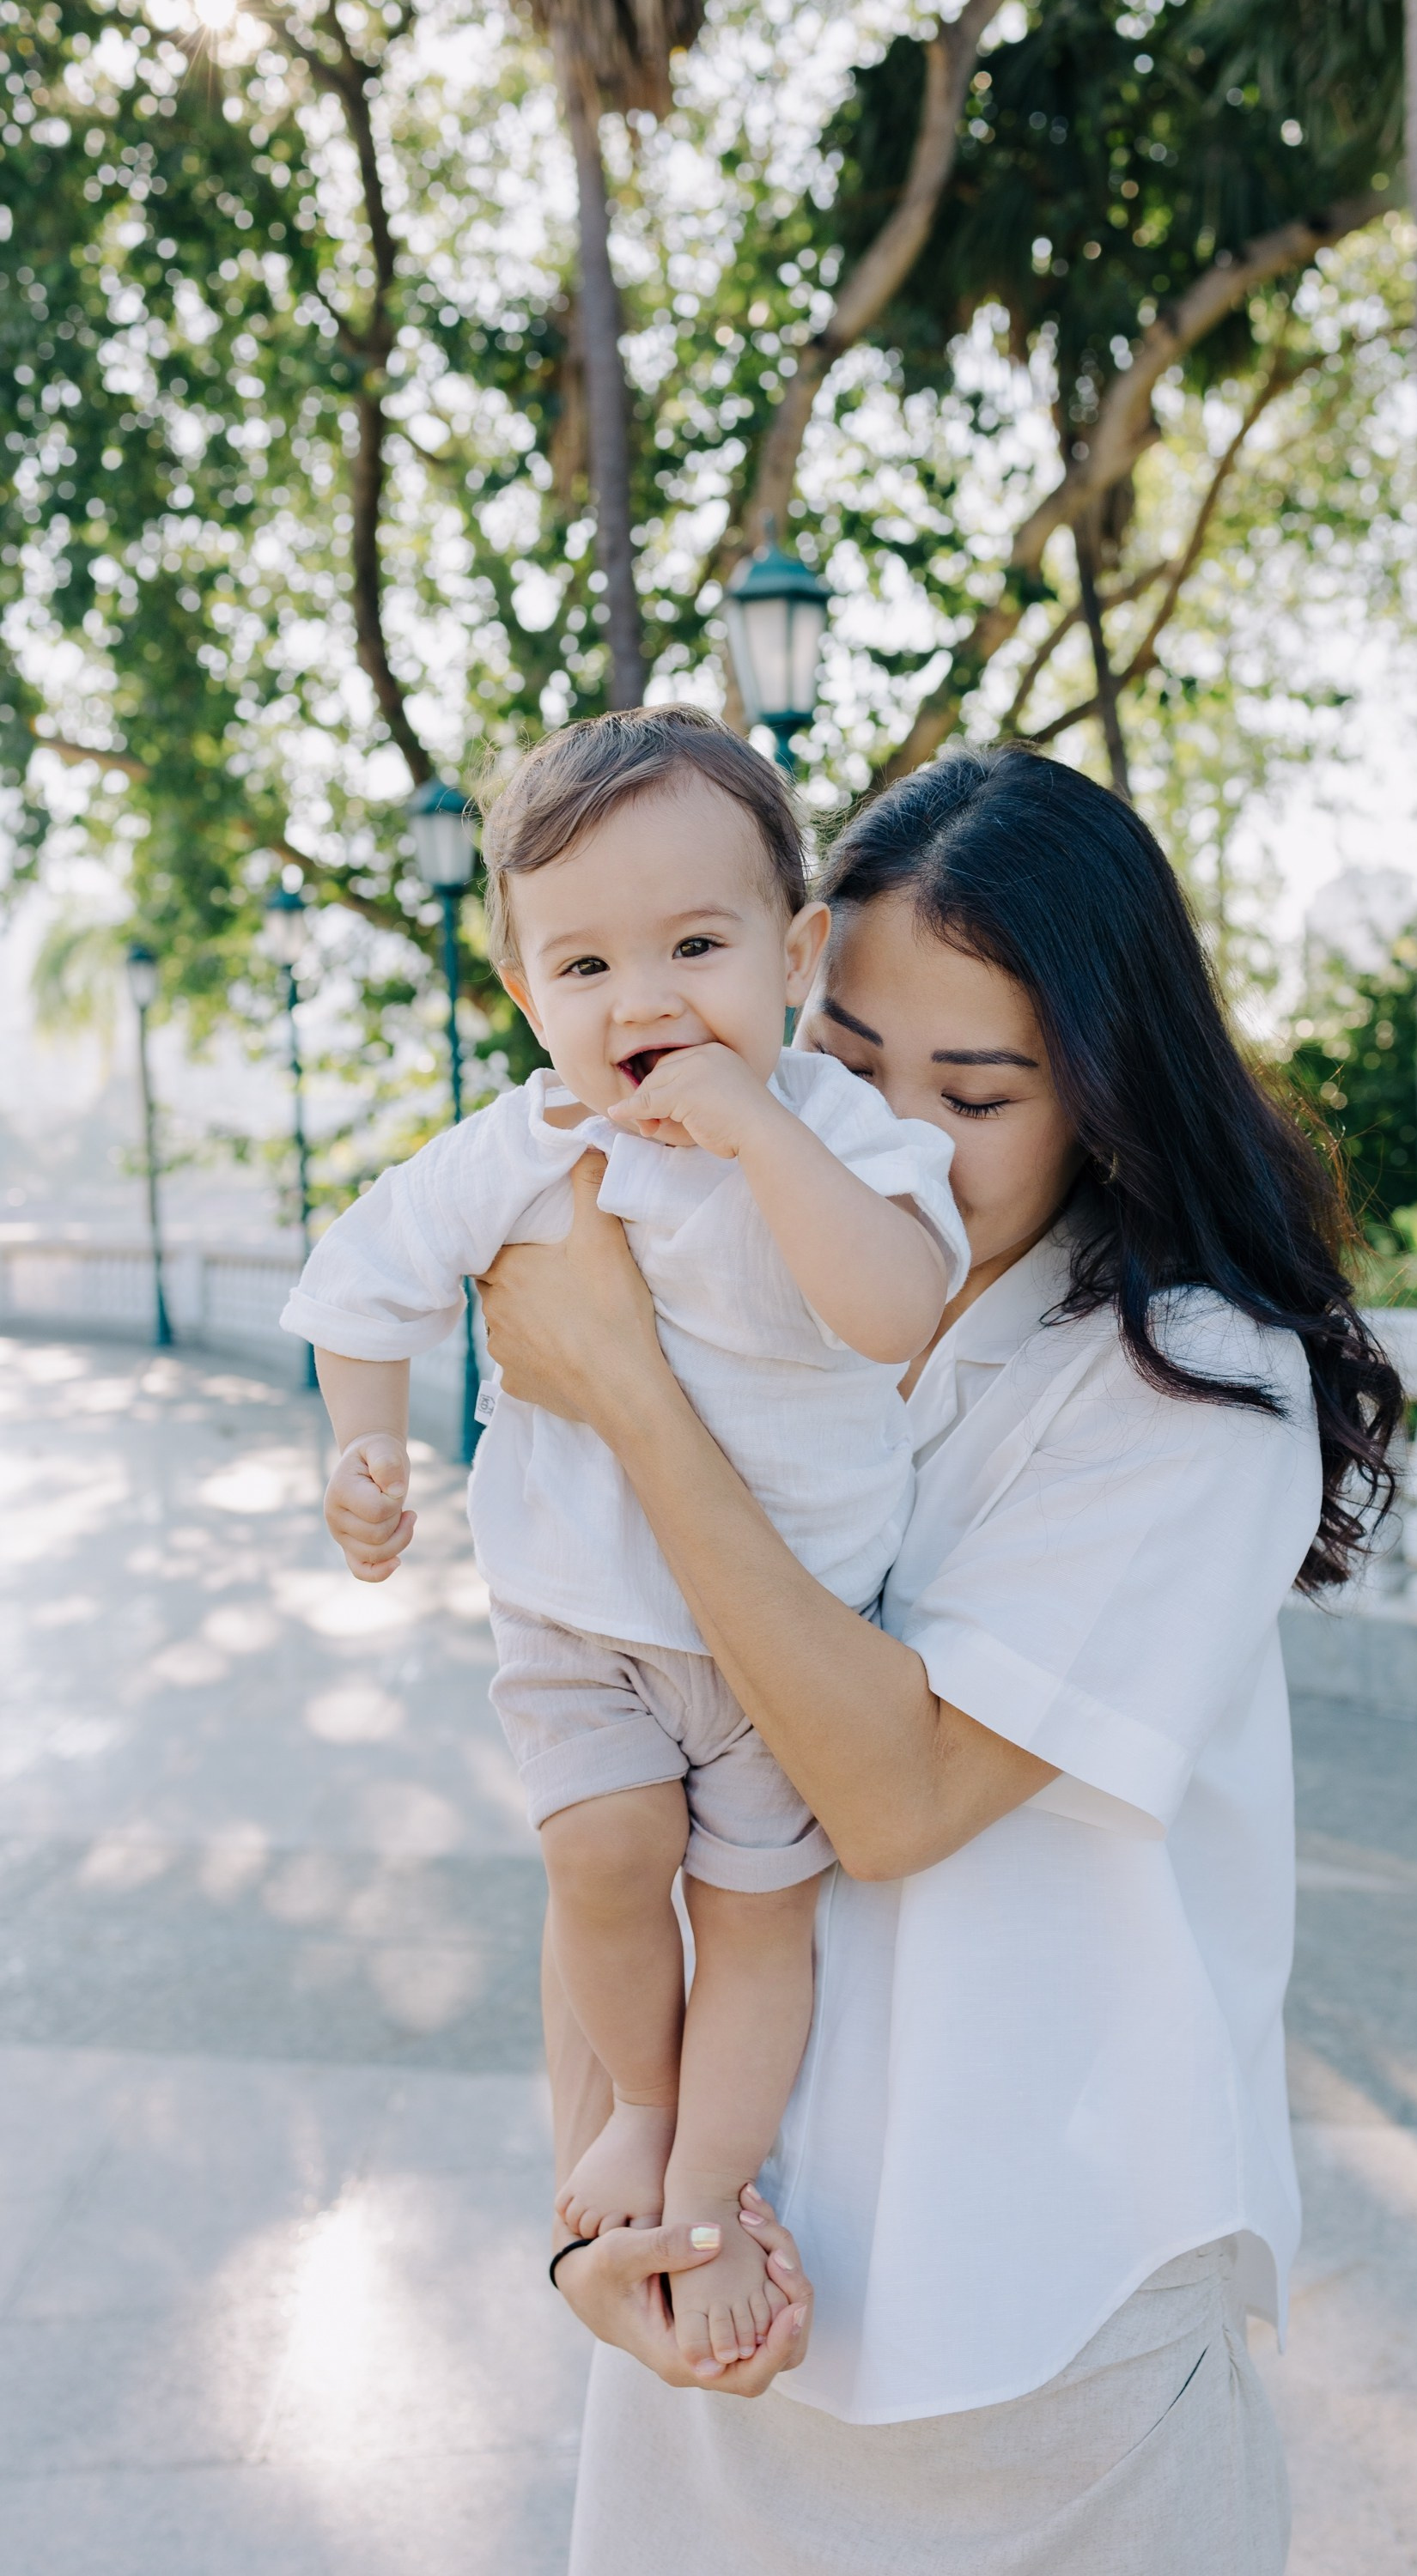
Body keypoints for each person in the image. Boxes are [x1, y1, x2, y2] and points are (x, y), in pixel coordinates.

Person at [477, 741, 1404, 2576]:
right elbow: (612, 1817)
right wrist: (602, 2221)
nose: (894, 1138)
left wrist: (632, 1403)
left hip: (1048, 2362)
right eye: (842, 1066)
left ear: (1106, 1093)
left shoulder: (1190, 1391)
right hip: (722, 2307)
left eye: (975, 1092)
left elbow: (889, 1798)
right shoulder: (723, 1287)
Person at [279, 710, 967, 2372]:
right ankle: (644, 2118)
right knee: (597, 1857)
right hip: (578, 1616)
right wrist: (363, 1445)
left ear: (795, 958)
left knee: (752, 1920)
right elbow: (369, 1273)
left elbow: (892, 1310)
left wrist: (759, 1132)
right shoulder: (526, 1147)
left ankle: (710, 2194)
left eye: (697, 946)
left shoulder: (841, 1137)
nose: (642, 1001)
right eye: (581, 966)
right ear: (525, 996)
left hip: (785, 1641)